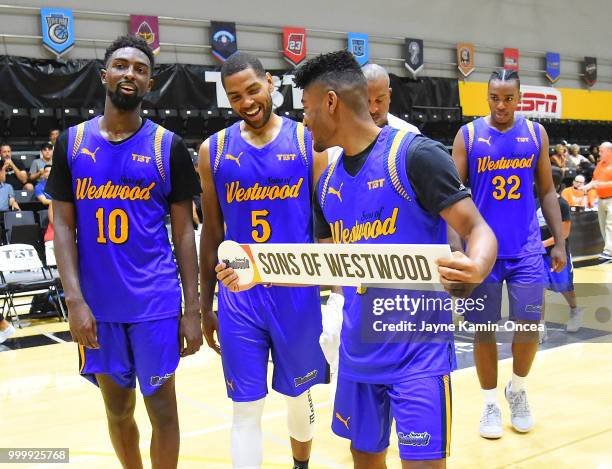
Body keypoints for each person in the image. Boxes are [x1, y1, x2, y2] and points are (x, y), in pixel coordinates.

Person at [287, 50, 496, 469]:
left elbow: (477, 229)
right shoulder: (325, 182)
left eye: (307, 110)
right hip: (358, 351)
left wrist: (476, 265)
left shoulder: (415, 155)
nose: (304, 122)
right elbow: (330, 264)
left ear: (331, 102)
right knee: (364, 459)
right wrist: (263, 273)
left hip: (418, 353)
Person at [46, 35, 202, 469]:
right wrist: (74, 301)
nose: (129, 73)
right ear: (104, 76)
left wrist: (193, 307)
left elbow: (185, 231)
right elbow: (61, 224)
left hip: (154, 302)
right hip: (98, 306)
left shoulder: (166, 146)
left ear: (149, 83)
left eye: (139, 68)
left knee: (164, 412)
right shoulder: (72, 144)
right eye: (120, 65)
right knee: (117, 411)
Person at [199, 52, 329, 469]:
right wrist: (205, 306)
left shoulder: (308, 141)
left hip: (296, 293)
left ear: (270, 82)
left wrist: (341, 293)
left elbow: (328, 225)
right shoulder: (213, 150)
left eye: (253, 90)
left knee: (299, 394)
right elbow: (212, 234)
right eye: (235, 96)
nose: (247, 102)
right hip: (239, 295)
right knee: (246, 407)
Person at [449, 69, 566, 439]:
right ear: (487, 97)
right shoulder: (468, 135)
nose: (501, 105)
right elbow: (450, 198)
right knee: (484, 331)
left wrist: (560, 241)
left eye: (508, 98)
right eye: (495, 98)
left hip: (527, 250)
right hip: (482, 253)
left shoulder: (535, 134)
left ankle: (516, 389)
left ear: (519, 99)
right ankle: (488, 402)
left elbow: (547, 191)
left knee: (529, 327)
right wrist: (456, 250)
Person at [327, 63, 420, 164]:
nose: (372, 109)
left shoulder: (410, 136)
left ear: (389, 95)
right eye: (366, 101)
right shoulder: (337, 144)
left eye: (379, 101)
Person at [538, 168, 581, 339]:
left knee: (564, 287)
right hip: (537, 254)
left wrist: (541, 243)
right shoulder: (534, 201)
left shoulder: (561, 203)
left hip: (557, 253)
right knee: (538, 287)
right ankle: (540, 326)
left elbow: (564, 234)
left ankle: (575, 311)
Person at [584, 142, 612, 260]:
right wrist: (586, 187)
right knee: (603, 225)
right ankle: (609, 250)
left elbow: (599, 183)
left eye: (601, 151)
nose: (598, 153)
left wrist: (601, 185)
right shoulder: (600, 164)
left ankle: (608, 251)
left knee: (610, 225)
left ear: (609, 152)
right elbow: (594, 180)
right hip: (601, 199)